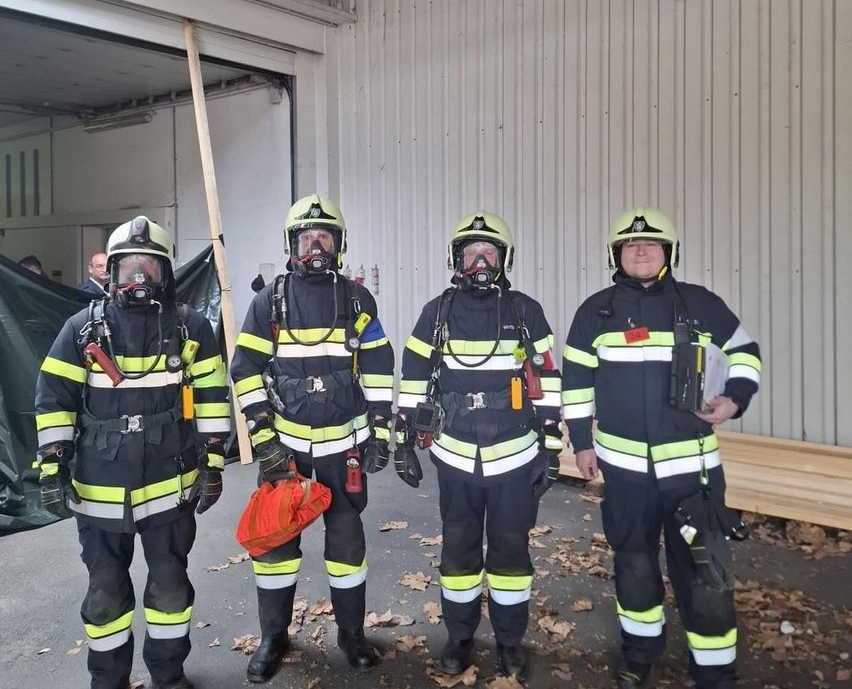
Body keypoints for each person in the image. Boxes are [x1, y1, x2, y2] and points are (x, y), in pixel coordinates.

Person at [561, 208, 762, 689]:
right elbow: (575, 383)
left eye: (652, 244)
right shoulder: (596, 312)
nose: (642, 251)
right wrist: (582, 445)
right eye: (631, 246)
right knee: (633, 564)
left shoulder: (700, 304)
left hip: (693, 472)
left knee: (703, 569)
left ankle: (713, 671)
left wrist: (735, 399)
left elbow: (746, 353)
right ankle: (639, 655)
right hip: (625, 472)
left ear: (669, 253)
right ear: (617, 254)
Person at [34, 215, 230, 689]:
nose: (138, 279)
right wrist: (52, 466)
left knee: (170, 589)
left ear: (166, 273)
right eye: (129, 269)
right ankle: (109, 680)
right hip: (98, 491)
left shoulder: (192, 329)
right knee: (105, 594)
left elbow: (211, 397)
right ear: (112, 272)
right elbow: (53, 397)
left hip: (170, 490)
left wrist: (214, 464)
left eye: (149, 268)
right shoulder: (82, 330)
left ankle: (168, 675)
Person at [230, 194, 394, 683]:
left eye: (325, 237)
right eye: (307, 238)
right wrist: (264, 439)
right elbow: (245, 370)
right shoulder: (269, 301)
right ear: (292, 245)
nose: (316, 246)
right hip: (288, 453)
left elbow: (381, 366)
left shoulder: (357, 299)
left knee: (347, 548)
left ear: (338, 245)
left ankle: (351, 636)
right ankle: (273, 637)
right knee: (276, 550)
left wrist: (381, 433)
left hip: (344, 450)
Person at [396, 211, 562, 682]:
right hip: (455, 456)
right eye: (473, 253)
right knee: (460, 551)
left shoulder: (525, 311)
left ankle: (510, 641)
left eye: (490, 252)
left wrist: (550, 447)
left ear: (504, 260)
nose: (481, 261)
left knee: (511, 553)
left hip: (514, 455)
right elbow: (413, 378)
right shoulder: (437, 312)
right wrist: (405, 442)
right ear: (457, 259)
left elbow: (547, 377)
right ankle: (460, 637)